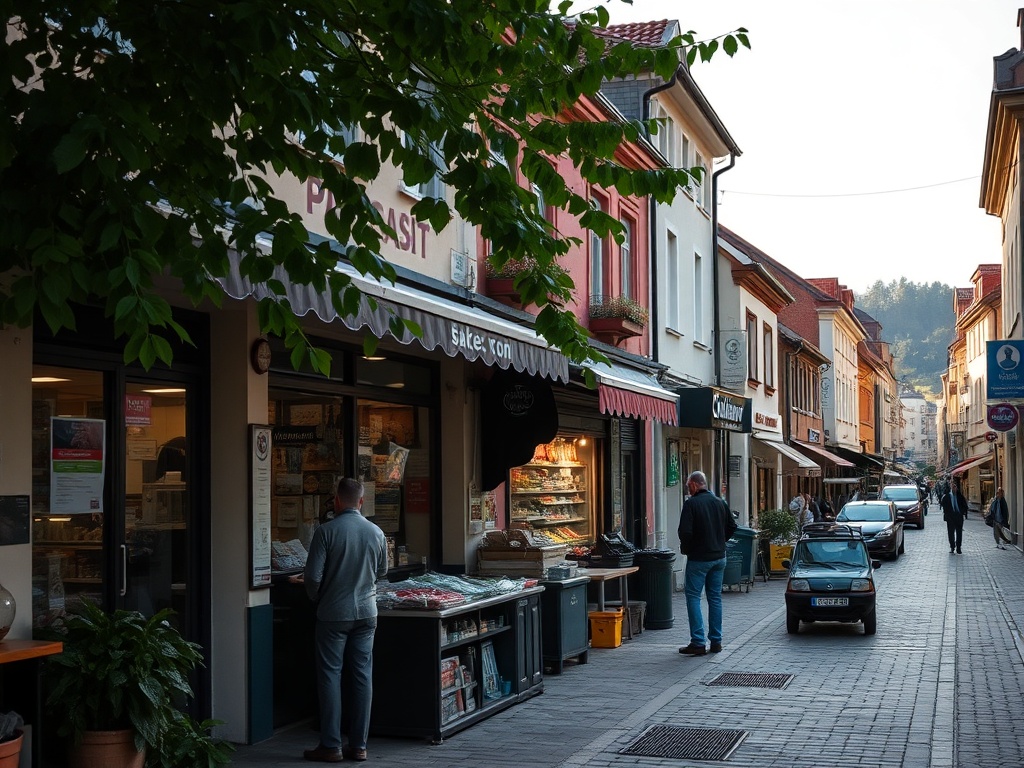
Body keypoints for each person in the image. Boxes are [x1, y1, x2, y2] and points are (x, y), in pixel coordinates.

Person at [302, 478, 388, 763]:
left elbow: (313, 577)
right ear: (361, 502)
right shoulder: (376, 532)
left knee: (330, 676)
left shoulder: (325, 532)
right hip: (367, 612)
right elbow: (382, 571)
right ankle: (360, 745)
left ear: (336, 500)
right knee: (363, 676)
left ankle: (331, 745)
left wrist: (317, 597)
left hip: (333, 615)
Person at [677, 470, 737, 656]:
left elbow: (684, 532)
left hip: (699, 558)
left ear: (694, 485)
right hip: (719, 557)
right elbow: (732, 526)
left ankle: (698, 642)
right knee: (715, 598)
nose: (688, 490)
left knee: (694, 597)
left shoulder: (691, 504)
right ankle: (716, 641)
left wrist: (688, 549)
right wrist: (720, 541)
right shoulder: (720, 502)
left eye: (688, 486)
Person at [940, 479, 969, 555]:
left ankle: (959, 547)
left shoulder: (960, 497)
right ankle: (952, 547)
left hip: (958, 517)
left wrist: (962, 513)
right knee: (951, 533)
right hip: (950, 517)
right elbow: (944, 506)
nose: (954, 489)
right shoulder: (947, 497)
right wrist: (948, 515)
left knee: (959, 533)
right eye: (953, 487)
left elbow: (965, 506)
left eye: (955, 487)